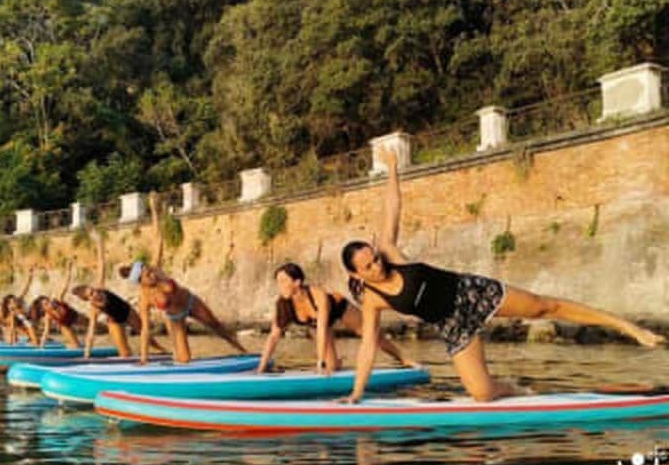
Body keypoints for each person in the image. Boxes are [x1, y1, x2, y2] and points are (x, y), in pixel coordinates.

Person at [340, 147, 665, 403]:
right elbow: (368, 345)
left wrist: (393, 169)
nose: (377, 266)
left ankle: (629, 328)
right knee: (482, 395)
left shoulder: (390, 252)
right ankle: (516, 390)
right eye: (367, 267)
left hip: (469, 292)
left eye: (374, 259)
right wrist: (357, 392)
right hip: (453, 325)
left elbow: (393, 206)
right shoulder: (372, 300)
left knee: (544, 307)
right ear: (357, 273)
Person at [118, 193, 247, 365]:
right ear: (141, 282)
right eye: (148, 275)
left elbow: (158, 239)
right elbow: (145, 331)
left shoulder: (156, 268)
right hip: (175, 318)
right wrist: (143, 359)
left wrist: (155, 212)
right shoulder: (144, 299)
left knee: (217, 327)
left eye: (149, 270)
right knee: (184, 359)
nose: (152, 274)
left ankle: (244, 353)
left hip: (191, 303)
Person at [257, 262, 416, 374]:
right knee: (331, 368)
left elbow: (322, 328)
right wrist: (261, 369)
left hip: (339, 309)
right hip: (316, 325)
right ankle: (337, 363)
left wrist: (320, 361)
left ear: (297, 282)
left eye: (283, 280)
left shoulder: (318, 296)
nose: (280, 285)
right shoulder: (283, 304)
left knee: (371, 335)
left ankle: (405, 360)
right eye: (277, 281)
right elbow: (273, 336)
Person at [72, 230, 166, 358]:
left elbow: (102, 263)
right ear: (88, 299)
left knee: (145, 334)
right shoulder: (94, 309)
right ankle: (130, 363)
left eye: (93, 290)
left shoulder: (100, 287)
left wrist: (99, 242)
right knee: (124, 352)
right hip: (114, 321)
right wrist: (86, 355)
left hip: (127, 311)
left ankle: (162, 351)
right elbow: (90, 333)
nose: (95, 293)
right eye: (91, 294)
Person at [30, 260, 88, 349]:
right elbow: (46, 332)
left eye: (48, 301)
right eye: (46, 304)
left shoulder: (58, 300)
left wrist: (69, 270)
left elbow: (65, 285)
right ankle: (77, 348)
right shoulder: (49, 316)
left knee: (94, 328)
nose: (49, 303)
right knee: (75, 345)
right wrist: (41, 348)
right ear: (44, 309)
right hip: (66, 325)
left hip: (76, 318)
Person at [0, 267, 38, 345]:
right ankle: (14, 341)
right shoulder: (8, 311)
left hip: (24, 321)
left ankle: (34, 341)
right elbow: (10, 326)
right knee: (13, 326)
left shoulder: (18, 302)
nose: (14, 302)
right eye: (12, 302)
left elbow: (26, 289)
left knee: (29, 328)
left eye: (15, 301)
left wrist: (30, 276)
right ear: (8, 304)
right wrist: (11, 342)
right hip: (14, 325)